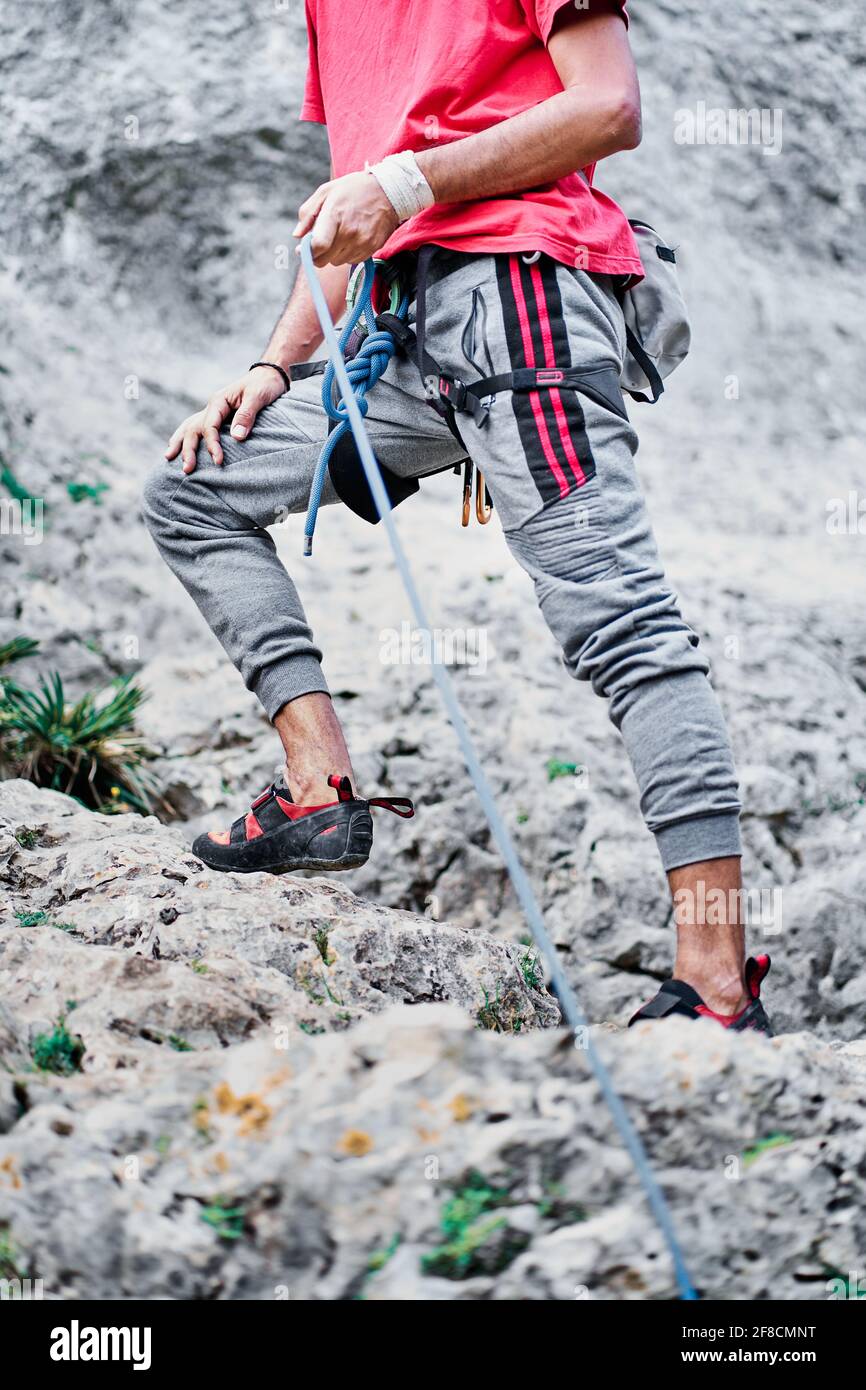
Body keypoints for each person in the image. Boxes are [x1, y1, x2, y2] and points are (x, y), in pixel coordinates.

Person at [142, 0, 772, 1033]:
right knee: (192, 488)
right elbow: (359, 214)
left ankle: (712, 983)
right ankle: (318, 790)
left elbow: (607, 106)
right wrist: (273, 364)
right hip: (399, 332)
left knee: (622, 628)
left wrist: (406, 182)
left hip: (517, 297)